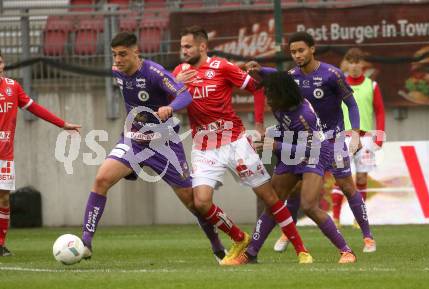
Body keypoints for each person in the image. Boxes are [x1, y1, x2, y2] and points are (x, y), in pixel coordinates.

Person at [81, 32, 227, 262]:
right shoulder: (117, 71)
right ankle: (85, 242)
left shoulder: (154, 72)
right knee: (101, 180)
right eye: (114, 55)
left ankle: (218, 247)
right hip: (134, 140)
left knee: (193, 202)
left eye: (123, 54)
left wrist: (170, 107)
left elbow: (184, 94)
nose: (117, 60)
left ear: (136, 52)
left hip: (164, 144)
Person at [173, 26, 312, 265]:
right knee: (201, 202)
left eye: (187, 46)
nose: (183, 51)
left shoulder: (222, 67)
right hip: (204, 146)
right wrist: (175, 83)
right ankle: (239, 238)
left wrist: (258, 122)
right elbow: (171, 98)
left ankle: (301, 249)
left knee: (269, 197)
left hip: (235, 142)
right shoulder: (180, 71)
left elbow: (256, 88)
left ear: (202, 46)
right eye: (181, 46)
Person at [247, 31, 376, 254]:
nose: (297, 55)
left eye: (301, 50)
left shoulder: (332, 75)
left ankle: (367, 236)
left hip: (331, 139)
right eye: (293, 52)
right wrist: (258, 70)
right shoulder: (292, 76)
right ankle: (287, 235)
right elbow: (275, 76)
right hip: (302, 139)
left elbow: (351, 105)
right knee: (295, 190)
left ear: (312, 49)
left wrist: (354, 132)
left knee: (346, 186)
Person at [226, 71, 356, 265]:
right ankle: (251, 253)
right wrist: (259, 69)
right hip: (291, 151)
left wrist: (276, 145)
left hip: (315, 154)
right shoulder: (281, 105)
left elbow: (311, 147)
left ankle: (347, 252)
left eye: (271, 95)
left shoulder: (305, 116)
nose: (268, 100)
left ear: (283, 93)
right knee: (274, 203)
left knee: (309, 206)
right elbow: (277, 79)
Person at [0, 50, 81, 256]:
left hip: (4, 155)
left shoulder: (12, 87)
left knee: (3, 200)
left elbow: (34, 108)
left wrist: (62, 124)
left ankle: (0, 244)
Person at [331, 48, 385, 232]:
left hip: (366, 138)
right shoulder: (339, 84)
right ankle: (336, 218)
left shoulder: (372, 85)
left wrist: (379, 135)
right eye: (350, 61)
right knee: (341, 178)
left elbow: (379, 111)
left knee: (362, 178)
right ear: (346, 63)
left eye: (357, 61)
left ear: (363, 64)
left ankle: (358, 218)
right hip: (343, 136)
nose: (354, 66)